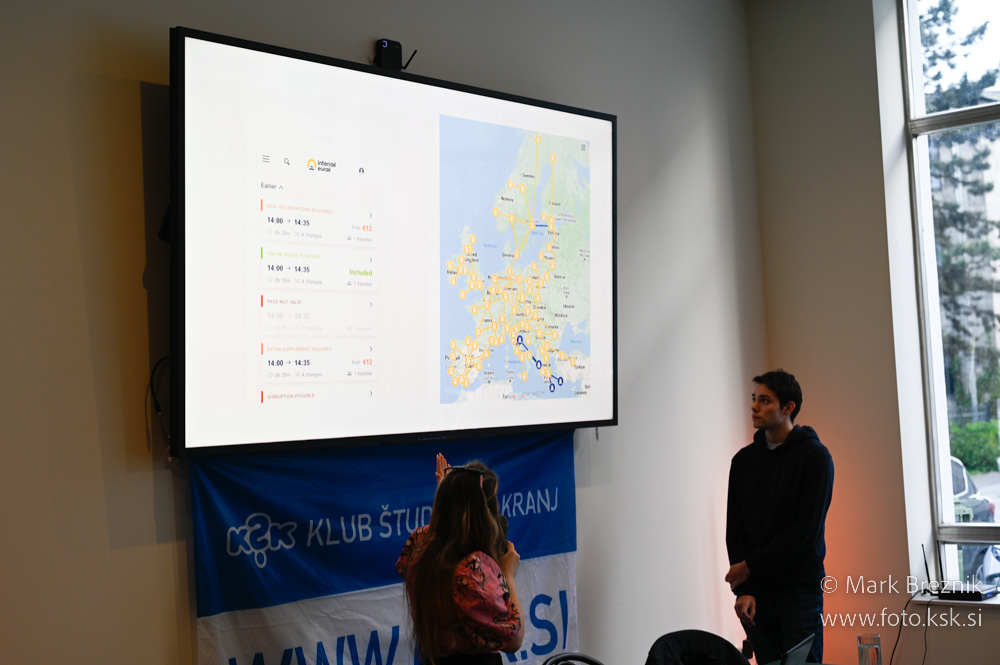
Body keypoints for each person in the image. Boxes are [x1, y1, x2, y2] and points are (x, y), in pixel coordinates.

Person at [725, 370, 833, 664]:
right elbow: (735, 531)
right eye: (754, 399)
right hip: (757, 592)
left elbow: (805, 532)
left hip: (799, 591)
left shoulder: (815, 457)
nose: (754, 406)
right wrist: (744, 590)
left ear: (788, 407)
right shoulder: (743, 462)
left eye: (765, 400)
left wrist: (750, 566)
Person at [396, 454, 524, 665]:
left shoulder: (419, 545)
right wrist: (508, 575)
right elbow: (514, 641)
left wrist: (448, 499)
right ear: (484, 516)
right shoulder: (473, 571)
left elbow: (437, 533)